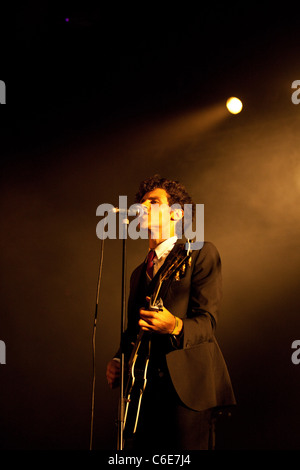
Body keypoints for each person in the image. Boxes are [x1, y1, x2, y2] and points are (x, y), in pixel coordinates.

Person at [106, 175, 236, 450]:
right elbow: (133, 329)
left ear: (176, 213)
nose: (142, 206)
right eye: (141, 202)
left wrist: (174, 325)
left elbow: (207, 323)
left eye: (153, 202)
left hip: (187, 391)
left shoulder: (200, 254)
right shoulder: (138, 273)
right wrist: (119, 359)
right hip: (142, 393)